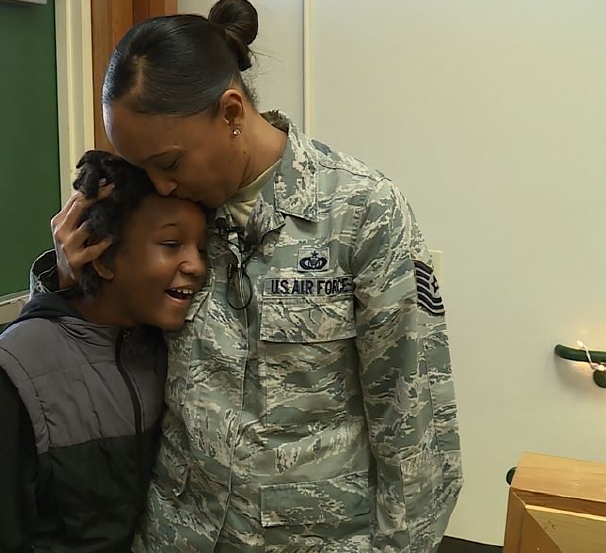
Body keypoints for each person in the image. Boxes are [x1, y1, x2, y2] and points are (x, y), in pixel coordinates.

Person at [38, 1, 463, 551]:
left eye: (169, 164)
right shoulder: (154, 212)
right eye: (143, 169)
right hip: (177, 534)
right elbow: (97, 357)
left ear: (232, 112)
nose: (161, 186)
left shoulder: (362, 212)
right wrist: (69, 282)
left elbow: (415, 428)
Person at [0, 150, 209, 552]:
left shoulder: (171, 347)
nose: (196, 265)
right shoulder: (14, 374)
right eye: (171, 243)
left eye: (201, 247)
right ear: (103, 256)